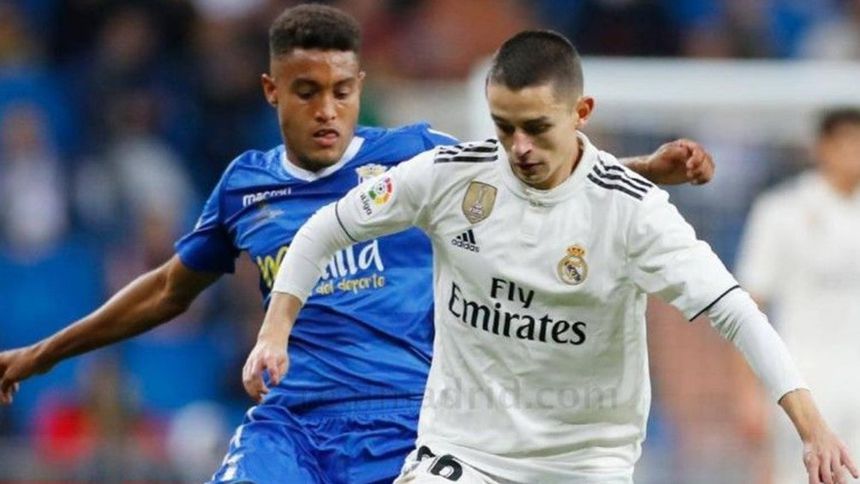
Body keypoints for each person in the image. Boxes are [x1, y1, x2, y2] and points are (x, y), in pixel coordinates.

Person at [1, 5, 714, 483]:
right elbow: (166, 289)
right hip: (293, 428)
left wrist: (648, 169)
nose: (327, 109)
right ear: (271, 90)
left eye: (342, 90)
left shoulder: (415, 157)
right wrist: (42, 354)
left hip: (410, 426)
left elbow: (534, 173)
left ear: (359, 85)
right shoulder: (247, 186)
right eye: (306, 90)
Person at [250, 29, 858, 484]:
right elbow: (325, 228)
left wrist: (812, 430)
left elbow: (736, 311)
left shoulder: (633, 210)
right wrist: (275, 330)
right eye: (503, 126)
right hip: (465, 452)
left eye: (537, 128)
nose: (518, 147)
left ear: (581, 113)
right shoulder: (449, 176)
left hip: (585, 464)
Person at [737, 107, 860, 484]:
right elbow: (747, 308)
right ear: (822, 147)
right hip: (802, 384)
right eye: (847, 143)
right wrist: (747, 393)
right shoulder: (781, 211)